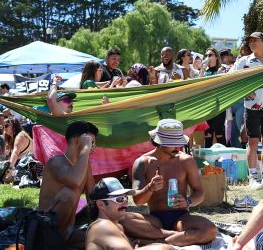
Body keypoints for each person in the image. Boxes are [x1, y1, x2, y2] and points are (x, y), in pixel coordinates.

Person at [120, 119, 217, 247]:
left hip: (181, 219)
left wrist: (188, 201)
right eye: (172, 143)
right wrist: (150, 188)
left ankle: (155, 242)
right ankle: (175, 237)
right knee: (120, 219)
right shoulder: (142, 162)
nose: (177, 146)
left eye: (179, 142)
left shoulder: (186, 161)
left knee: (210, 230)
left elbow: (199, 193)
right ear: (159, 143)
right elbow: (138, 201)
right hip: (154, 220)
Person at [231, 32, 263, 189]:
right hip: (251, 107)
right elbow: (230, 79)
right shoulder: (243, 61)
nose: (252, 43)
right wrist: (245, 90)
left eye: (255, 40)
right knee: (253, 142)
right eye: (250, 41)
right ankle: (253, 176)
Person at [38, 121, 98, 247]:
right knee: (69, 194)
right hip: (46, 231)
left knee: (102, 241)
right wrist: (85, 150)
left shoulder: (86, 166)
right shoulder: (55, 163)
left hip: (67, 232)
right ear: (78, 141)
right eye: (91, 143)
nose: (94, 148)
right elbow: (74, 181)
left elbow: (93, 198)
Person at [86, 177, 173, 250]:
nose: (125, 203)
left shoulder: (116, 226)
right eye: (119, 199)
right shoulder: (102, 226)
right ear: (101, 204)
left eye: (126, 198)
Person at [200, 47, 227, 147]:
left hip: (219, 105)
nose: (208, 57)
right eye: (206, 55)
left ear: (216, 57)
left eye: (210, 55)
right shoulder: (204, 71)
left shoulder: (221, 69)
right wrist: (202, 70)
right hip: (207, 106)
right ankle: (207, 161)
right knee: (208, 133)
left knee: (219, 133)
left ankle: (224, 159)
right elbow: (198, 85)